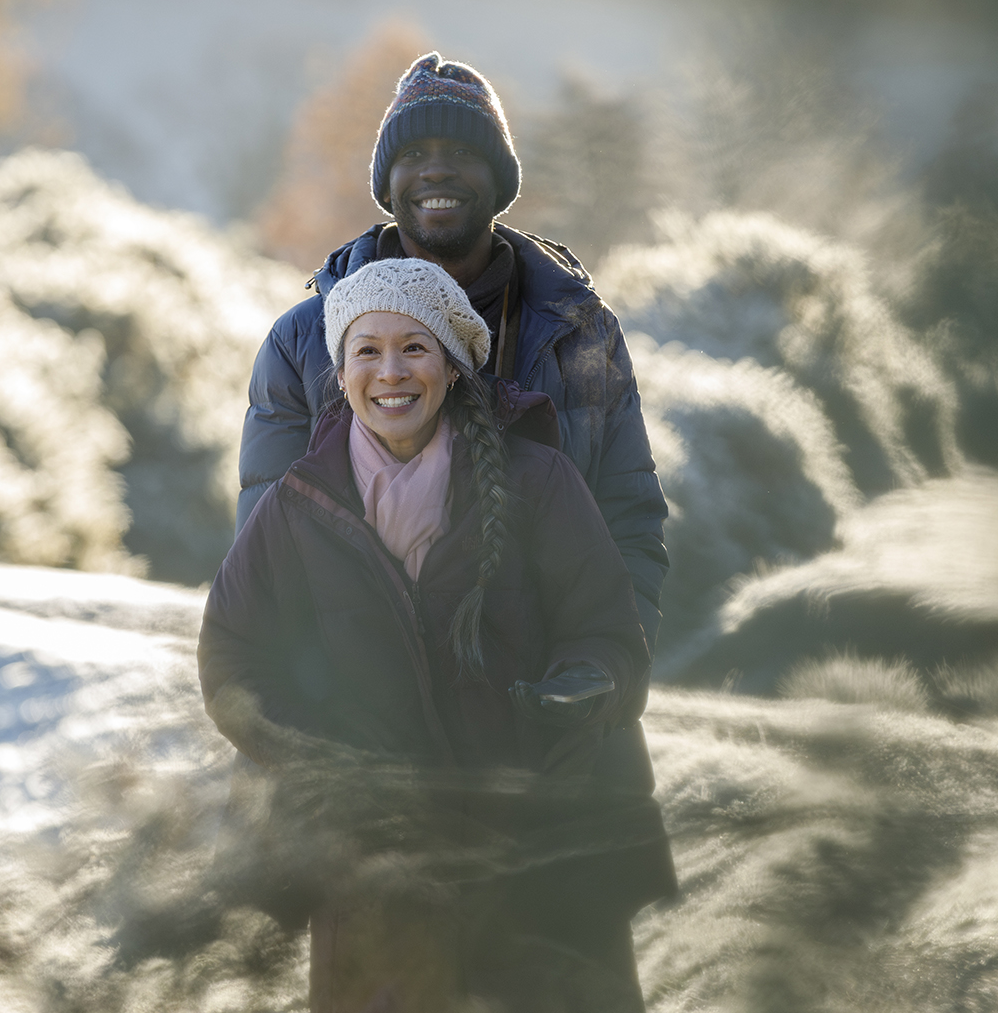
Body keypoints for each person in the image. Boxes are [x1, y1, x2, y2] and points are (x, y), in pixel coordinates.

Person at [200, 258, 675, 1012]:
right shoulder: (297, 506)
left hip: (529, 843)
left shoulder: (539, 482)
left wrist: (581, 688)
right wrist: (311, 752)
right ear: (342, 369)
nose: (391, 371)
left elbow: (606, 633)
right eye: (367, 350)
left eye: (415, 348)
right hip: (372, 867)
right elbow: (233, 658)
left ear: (454, 367)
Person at [237, 51, 669, 647]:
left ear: (501, 183)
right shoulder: (302, 341)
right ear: (386, 186)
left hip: (543, 711)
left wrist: (607, 669)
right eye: (413, 155)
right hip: (357, 702)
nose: (436, 172)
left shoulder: (579, 333)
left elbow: (629, 518)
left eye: (463, 153)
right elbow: (267, 554)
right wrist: (310, 718)